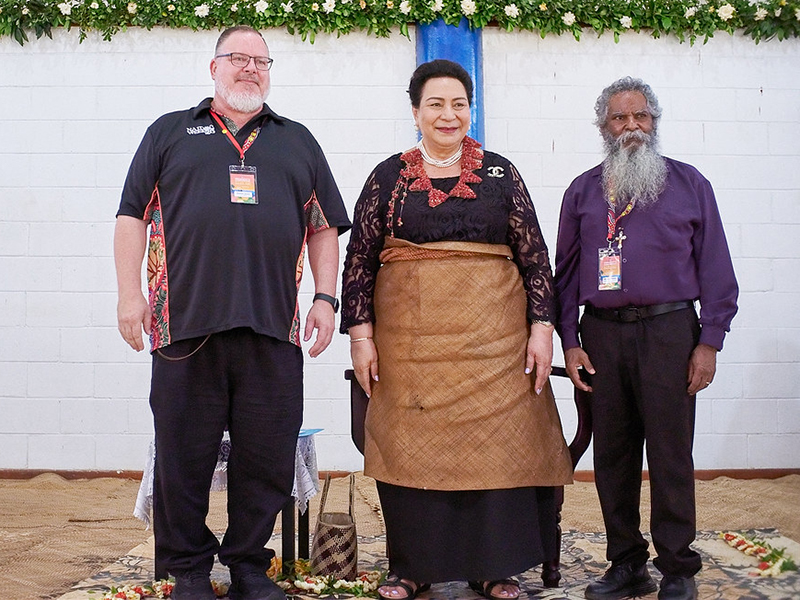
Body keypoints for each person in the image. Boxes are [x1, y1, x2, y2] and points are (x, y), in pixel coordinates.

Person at [114, 26, 351, 600]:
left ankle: (248, 565)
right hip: (182, 325)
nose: (250, 68)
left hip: (273, 328)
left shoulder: (297, 141)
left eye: (260, 60)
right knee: (182, 458)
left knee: (266, 458)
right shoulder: (170, 132)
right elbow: (130, 218)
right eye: (237, 59)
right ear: (213, 67)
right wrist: (128, 295)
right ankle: (189, 569)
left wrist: (325, 298)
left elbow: (323, 227)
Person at [340, 59, 573, 600]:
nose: (449, 115)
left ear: (471, 109)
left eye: (459, 104)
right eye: (436, 104)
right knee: (410, 451)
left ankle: (495, 568)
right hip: (410, 351)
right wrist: (361, 335)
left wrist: (543, 330)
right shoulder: (388, 178)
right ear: (416, 111)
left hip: (496, 349)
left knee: (498, 452)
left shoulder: (500, 173)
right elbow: (359, 261)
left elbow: (535, 257)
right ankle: (412, 568)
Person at [554, 77, 738, 600]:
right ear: (604, 127)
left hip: (671, 332)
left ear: (654, 122)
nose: (631, 126)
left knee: (671, 452)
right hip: (601, 337)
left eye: (641, 116)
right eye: (619, 118)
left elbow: (718, 269)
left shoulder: (689, 184)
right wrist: (570, 339)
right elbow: (563, 274)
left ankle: (678, 568)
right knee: (612, 454)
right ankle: (626, 563)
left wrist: (710, 342)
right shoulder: (584, 190)